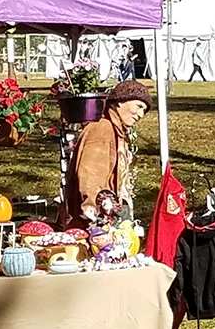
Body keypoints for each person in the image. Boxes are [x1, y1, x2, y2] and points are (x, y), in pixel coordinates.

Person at [60, 80, 152, 229]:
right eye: (139, 106)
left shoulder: (115, 131)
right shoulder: (102, 129)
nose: (141, 114)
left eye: (144, 111)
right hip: (92, 226)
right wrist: (93, 217)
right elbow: (90, 176)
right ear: (120, 101)